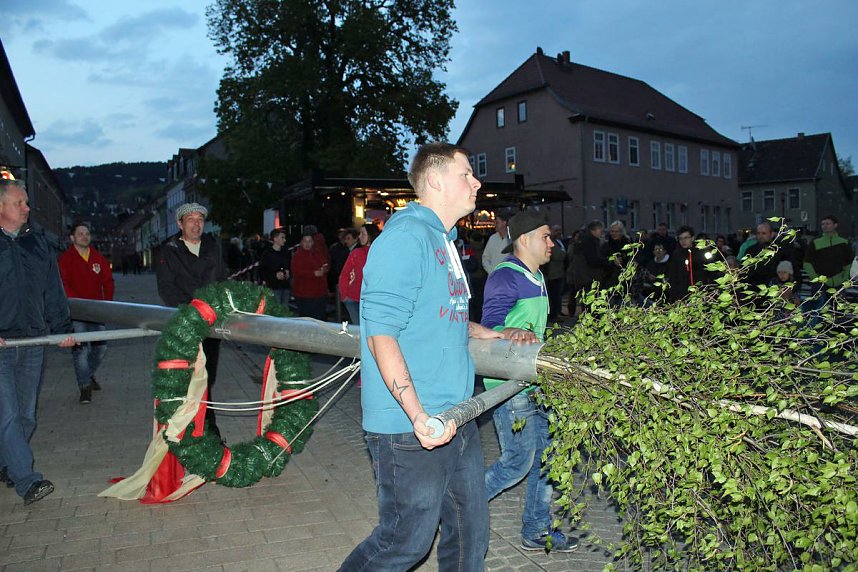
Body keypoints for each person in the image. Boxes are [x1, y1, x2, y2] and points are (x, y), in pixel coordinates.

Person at [339, 142, 508, 571]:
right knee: (404, 542)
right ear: (435, 180)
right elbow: (381, 335)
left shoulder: (444, 239)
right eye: (466, 173)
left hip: (457, 414)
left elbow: (433, 313)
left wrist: (481, 330)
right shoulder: (406, 238)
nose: (476, 182)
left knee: (469, 535)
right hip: (410, 425)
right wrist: (417, 415)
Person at [482, 210, 578, 552]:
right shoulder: (505, 276)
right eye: (545, 236)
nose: (551, 242)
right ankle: (457, 504)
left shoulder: (536, 276)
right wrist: (507, 331)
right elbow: (489, 326)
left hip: (534, 382)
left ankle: (537, 529)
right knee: (516, 464)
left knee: (550, 460)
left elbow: (532, 328)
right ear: (524, 239)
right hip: (510, 387)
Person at [0, 168, 76, 505]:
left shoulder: (37, 244)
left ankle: (6, 463)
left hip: (32, 342)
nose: (27, 208)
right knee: (7, 415)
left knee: (26, 415)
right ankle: (27, 480)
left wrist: (62, 331)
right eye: (20, 203)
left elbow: (53, 291)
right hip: (1, 345)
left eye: (27, 203)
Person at [156, 202, 227, 435]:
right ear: (180, 224)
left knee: (208, 378)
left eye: (200, 220)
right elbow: (167, 288)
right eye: (190, 220)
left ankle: (203, 430)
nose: (196, 225)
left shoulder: (213, 246)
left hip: (212, 323)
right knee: (192, 379)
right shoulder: (170, 250)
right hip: (187, 324)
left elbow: (222, 279)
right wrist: (191, 311)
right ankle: (204, 431)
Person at [58, 222, 115, 404]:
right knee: (81, 351)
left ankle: (87, 374)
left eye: (87, 234)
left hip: (96, 312)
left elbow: (108, 281)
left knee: (100, 348)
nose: (85, 236)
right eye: (80, 234)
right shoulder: (65, 260)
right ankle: (84, 387)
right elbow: (63, 285)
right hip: (76, 312)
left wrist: (107, 303)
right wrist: (75, 304)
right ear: (72, 238)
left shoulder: (97, 258)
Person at [802, 215, 854, 301]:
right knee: (820, 308)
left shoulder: (844, 242)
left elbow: (848, 262)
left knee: (839, 308)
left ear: (835, 225)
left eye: (828, 223)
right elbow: (807, 262)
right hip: (820, 284)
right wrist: (816, 278)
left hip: (839, 283)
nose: (824, 226)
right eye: (823, 224)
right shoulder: (815, 242)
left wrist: (844, 278)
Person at [338, 223, 379, 324]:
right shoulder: (357, 253)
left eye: (363, 234)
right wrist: (345, 295)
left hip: (373, 299)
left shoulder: (379, 253)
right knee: (359, 328)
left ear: (370, 235)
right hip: (353, 298)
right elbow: (345, 273)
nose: (360, 236)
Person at [290, 230, 329, 320]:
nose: (307, 244)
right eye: (305, 241)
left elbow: (325, 264)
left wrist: (324, 268)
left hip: (320, 293)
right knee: (307, 318)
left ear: (313, 242)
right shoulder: (297, 256)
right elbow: (297, 272)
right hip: (304, 294)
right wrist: (313, 273)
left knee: (320, 318)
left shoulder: (317, 253)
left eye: (310, 241)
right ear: (301, 242)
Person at [258, 228, 292, 307]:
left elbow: (289, 266)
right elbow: (262, 271)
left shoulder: (286, 252)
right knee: (275, 309)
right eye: (282, 237)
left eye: (284, 238)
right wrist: (274, 275)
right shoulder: (267, 253)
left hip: (285, 286)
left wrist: (288, 272)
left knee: (285, 309)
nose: (284, 240)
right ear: (275, 239)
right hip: (273, 287)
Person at [540, 224, 566, 320]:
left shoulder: (559, 242)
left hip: (558, 272)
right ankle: (553, 314)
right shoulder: (551, 242)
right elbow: (558, 256)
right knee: (553, 294)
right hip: (552, 273)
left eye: (559, 230)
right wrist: (563, 254)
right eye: (556, 230)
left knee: (557, 294)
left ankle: (557, 311)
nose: (558, 232)